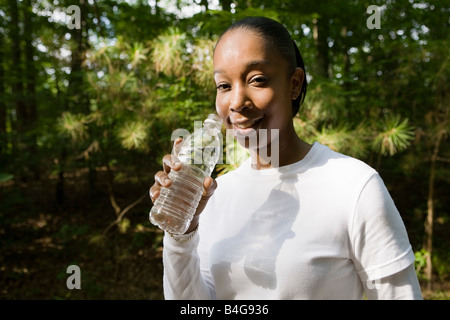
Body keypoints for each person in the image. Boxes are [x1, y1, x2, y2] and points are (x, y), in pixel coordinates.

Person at [149, 16, 422, 300]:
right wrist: (182, 233)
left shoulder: (354, 186)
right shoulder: (215, 195)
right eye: (224, 86)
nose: (237, 102)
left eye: (258, 80)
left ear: (294, 84)